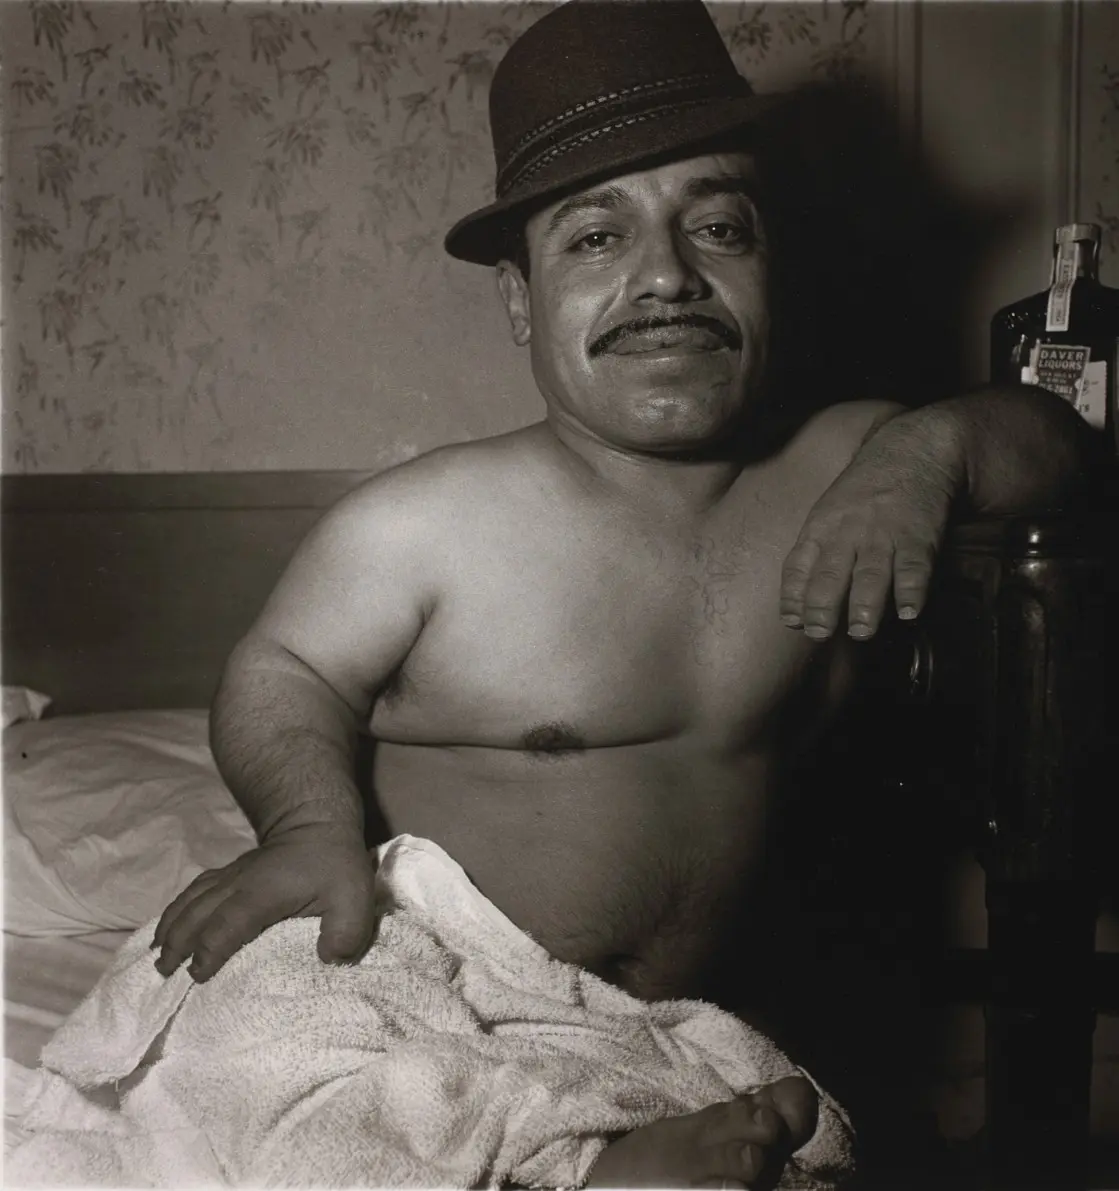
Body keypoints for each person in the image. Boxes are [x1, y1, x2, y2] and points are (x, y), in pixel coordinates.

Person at [152, 1, 1100, 1185]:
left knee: (804, 1129)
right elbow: (282, 671)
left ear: (772, 266)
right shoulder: (427, 524)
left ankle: (599, 1151)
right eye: (597, 238)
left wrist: (932, 452)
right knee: (266, 1062)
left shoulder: (846, 467)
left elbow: (1061, 444)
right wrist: (307, 829)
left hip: (665, 1032)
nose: (666, 277)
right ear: (520, 300)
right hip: (422, 994)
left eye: (719, 227)